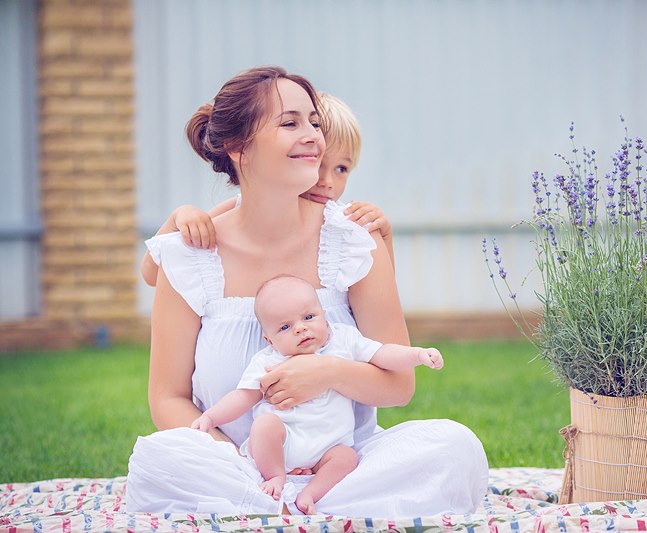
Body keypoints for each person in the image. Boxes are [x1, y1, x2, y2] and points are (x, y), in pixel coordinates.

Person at [125, 65, 487, 517]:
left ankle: (282, 509)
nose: (313, 135)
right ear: (238, 147)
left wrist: (327, 372)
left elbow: (400, 386)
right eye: (290, 122)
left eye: (314, 121)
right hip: (229, 466)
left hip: (340, 469)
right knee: (162, 458)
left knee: (452, 448)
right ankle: (271, 504)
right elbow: (167, 398)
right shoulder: (190, 254)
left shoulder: (356, 241)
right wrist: (239, 463)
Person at [191, 275, 444, 514]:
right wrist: (211, 418)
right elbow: (242, 397)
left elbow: (381, 353)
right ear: (269, 340)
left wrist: (417, 355)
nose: (300, 329)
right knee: (265, 426)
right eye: (285, 327)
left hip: (329, 447)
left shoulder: (344, 340)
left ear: (324, 316)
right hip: (284, 443)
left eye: (309, 317)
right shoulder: (268, 360)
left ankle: (310, 494)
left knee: (347, 458)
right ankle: (275, 477)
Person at [139, 92, 394, 288]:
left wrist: (384, 236)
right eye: (317, 163)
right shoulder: (239, 212)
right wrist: (179, 218)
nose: (326, 181)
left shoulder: (347, 228)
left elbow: (382, 292)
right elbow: (152, 275)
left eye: (341, 169)